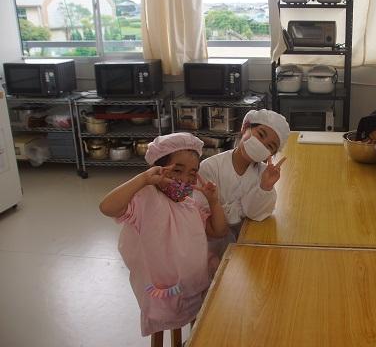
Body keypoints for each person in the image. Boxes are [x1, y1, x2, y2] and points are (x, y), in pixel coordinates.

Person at [98, 133, 228, 337]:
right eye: (177, 170)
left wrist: (213, 201)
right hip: (164, 293)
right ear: (157, 169)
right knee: (164, 324)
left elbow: (219, 231)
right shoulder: (145, 201)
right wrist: (143, 180)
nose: (185, 179)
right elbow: (107, 207)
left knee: (198, 328)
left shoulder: (191, 205)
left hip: (194, 286)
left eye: (192, 173)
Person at [199, 109, 290, 242]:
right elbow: (201, 216)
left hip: (247, 241)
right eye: (260, 134)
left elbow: (256, 214)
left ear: (270, 154)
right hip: (211, 244)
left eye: (270, 146)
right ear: (245, 127)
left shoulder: (264, 174)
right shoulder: (210, 168)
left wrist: (265, 187)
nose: (261, 144)